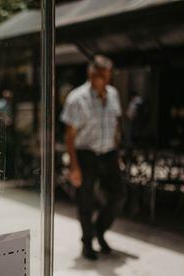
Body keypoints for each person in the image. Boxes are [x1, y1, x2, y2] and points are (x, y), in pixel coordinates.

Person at [60, 55, 125, 260]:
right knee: (85, 200)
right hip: (85, 153)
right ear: (91, 74)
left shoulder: (113, 94)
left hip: (108, 153)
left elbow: (116, 124)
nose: (105, 80)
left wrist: (117, 151)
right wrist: (73, 166)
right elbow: (69, 135)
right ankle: (87, 242)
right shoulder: (77, 98)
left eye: (108, 76)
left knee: (119, 194)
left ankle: (99, 230)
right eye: (101, 76)